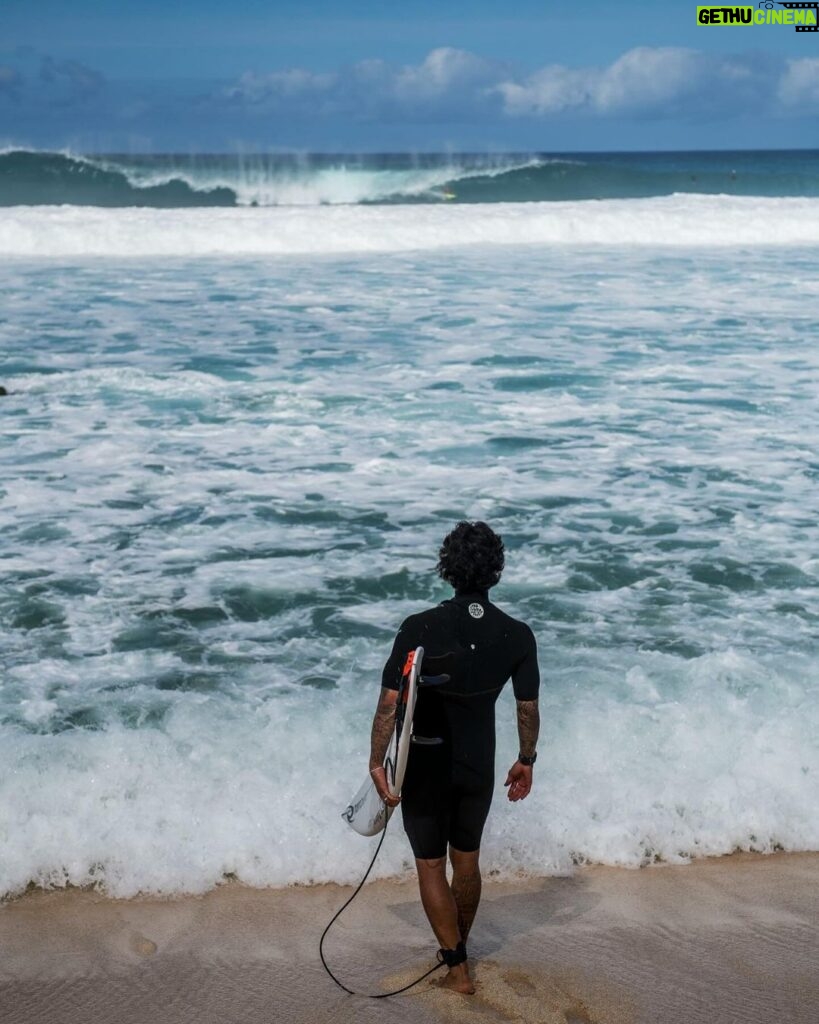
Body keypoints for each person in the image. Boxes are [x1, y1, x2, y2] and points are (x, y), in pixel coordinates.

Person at [368, 521, 540, 995]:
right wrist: (526, 759)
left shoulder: (420, 626)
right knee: (467, 860)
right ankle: (459, 946)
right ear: (496, 570)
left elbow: (389, 705)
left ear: (447, 568)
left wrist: (375, 763)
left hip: (427, 763)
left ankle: (457, 968)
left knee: (429, 865)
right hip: (478, 763)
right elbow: (527, 707)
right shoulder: (517, 635)